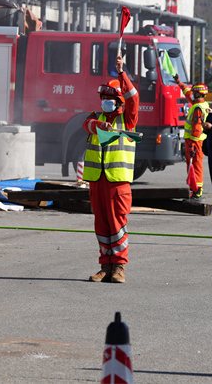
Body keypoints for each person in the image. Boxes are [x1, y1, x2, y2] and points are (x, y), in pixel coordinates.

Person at [82, 56, 139, 284]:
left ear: (118, 101)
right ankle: (105, 267)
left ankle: (119, 268)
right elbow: (86, 125)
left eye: (109, 99)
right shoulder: (95, 118)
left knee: (117, 226)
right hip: (98, 181)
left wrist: (121, 73)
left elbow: (133, 98)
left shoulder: (128, 119)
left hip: (117, 182)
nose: (105, 102)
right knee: (102, 225)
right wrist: (99, 125)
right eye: (103, 98)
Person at [176, 79, 211, 201]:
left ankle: (197, 192)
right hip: (195, 141)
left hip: (194, 141)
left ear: (199, 94)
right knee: (193, 165)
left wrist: (191, 145)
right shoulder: (201, 104)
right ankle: (195, 190)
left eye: (194, 93)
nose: (192, 94)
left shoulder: (197, 108)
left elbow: (196, 129)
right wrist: (179, 82)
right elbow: (187, 93)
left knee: (195, 166)